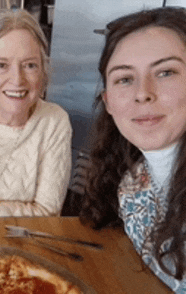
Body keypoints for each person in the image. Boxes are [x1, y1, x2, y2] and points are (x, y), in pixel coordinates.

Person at [80, 6, 186, 293]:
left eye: (166, 72)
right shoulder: (132, 187)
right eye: (125, 79)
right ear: (109, 102)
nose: (143, 93)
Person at [0, 9, 72, 218]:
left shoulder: (54, 123)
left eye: (30, 65)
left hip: (22, 243)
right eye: (1, 65)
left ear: (43, 72)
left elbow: (47, 214)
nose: (17, 79)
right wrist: (15, 210)